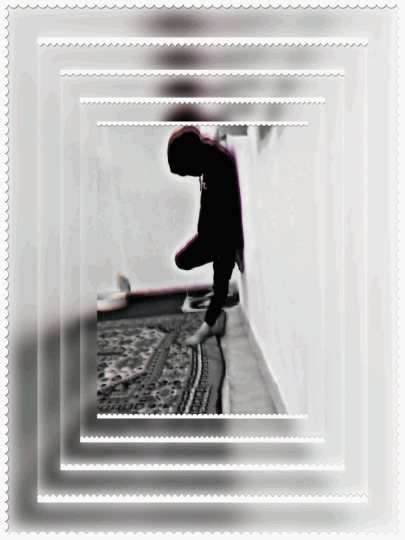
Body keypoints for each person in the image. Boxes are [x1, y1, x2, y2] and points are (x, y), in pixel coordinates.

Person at [168, 126, 245, 346]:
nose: (188, 175)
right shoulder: (207, 156)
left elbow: (232, 209)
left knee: (220, 281)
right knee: (182, 260)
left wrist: (235, 247)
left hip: (223, 237)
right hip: (209, 234)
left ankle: (210, 324)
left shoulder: (218, 166)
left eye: (186, 171)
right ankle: (215, 311)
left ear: (192, 158)